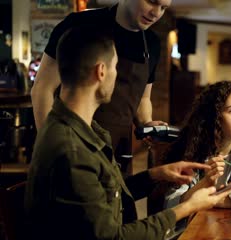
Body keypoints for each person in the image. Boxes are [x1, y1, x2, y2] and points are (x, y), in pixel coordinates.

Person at [24, 26, 231, 240]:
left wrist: (156, 175)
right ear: (101, 71)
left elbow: (103, 195)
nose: (116, 75)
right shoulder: (71, 150)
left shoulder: (81, 129)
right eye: (115, 67)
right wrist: (185, 208)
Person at [31, 0, 171, 172]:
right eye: (152, 2)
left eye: (163, 8)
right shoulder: (79, 25)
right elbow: (42, 89)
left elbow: (143, 98)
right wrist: (52, 149)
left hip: (119, 152)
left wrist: (147, 124)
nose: (156, 13)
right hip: (72, 144)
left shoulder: (152, 43)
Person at [163, 81, 231, 211]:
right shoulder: (189, 151)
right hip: (193, 228)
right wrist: (205, 182)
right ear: (214, 115)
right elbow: (171, 205)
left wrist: (207, 199)